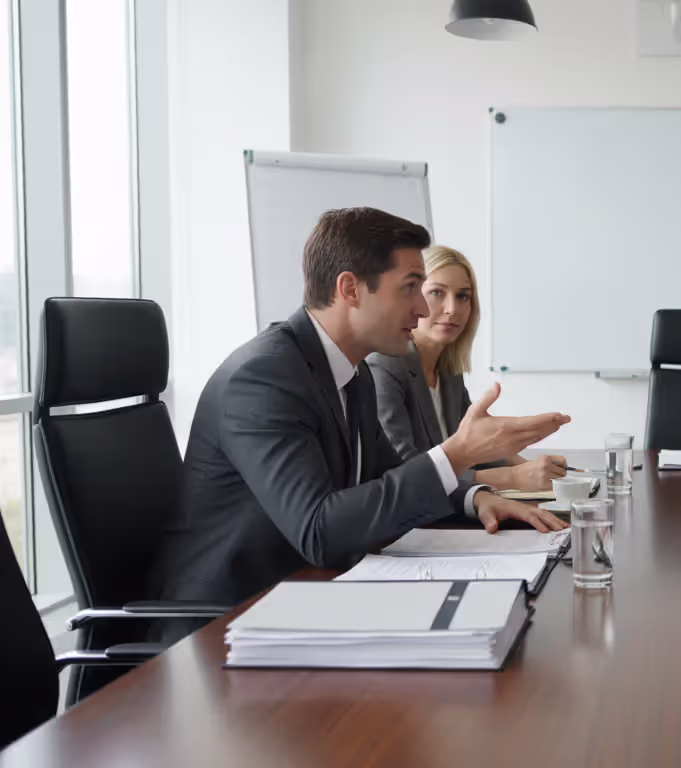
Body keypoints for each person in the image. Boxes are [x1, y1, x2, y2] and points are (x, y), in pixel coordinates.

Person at [153, 208, 571, 619]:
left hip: (303, 594)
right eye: (410, 288)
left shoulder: (351, 373)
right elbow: (319, 530)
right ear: (350, 289)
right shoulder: (263, 378)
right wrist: (457, 454)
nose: (423, 310)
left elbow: (383, 479)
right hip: (224, 625)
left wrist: (473, 497)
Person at [368, 245, 566, 490]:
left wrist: (539, 470)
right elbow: (405, 473)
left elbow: (476, 450)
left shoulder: (448, 371)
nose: (453, 308)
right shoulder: (384, 367)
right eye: (437, 293)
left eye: (463, 296)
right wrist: (513, 477)